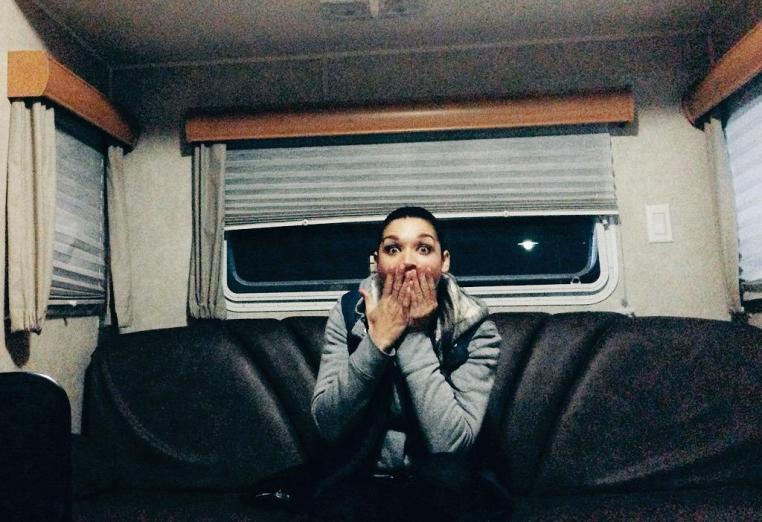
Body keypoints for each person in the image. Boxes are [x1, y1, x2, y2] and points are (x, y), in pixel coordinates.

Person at [310, 206, 505, 522]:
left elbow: (451, 444)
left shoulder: (475, 328)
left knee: (447, 483)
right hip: (361, 477)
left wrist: (414, 335)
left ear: (444, 262)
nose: (408, 262)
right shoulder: (348, 315)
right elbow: (328, 424)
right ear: (376, 262)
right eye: (393, 249)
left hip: (441, 484)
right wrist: (377, 342)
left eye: (423, 248)